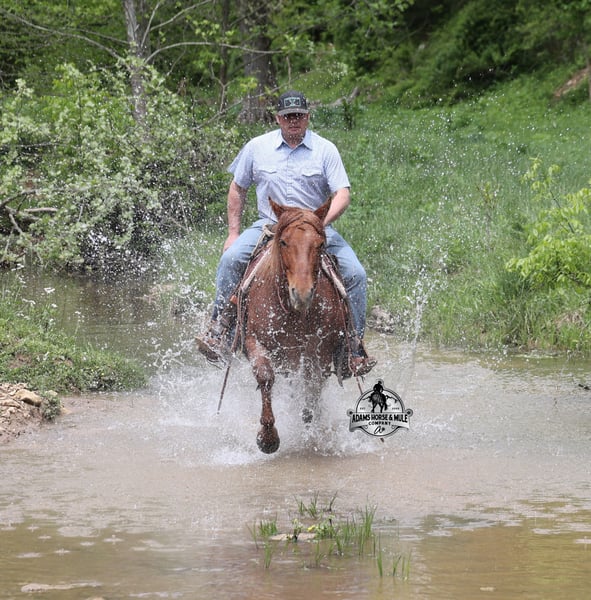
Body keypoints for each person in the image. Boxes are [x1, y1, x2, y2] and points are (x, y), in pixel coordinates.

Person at [196, 90, 375, 377]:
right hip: (270, 226)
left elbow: (342, 193)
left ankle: (352, 349)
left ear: (307, 117)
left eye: (299, 116)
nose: (294, 121)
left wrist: (318, 223)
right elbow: (238, 188)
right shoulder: (257, 147)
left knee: (356, 274)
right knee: (231, 259)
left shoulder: (325, 149)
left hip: (314, 229)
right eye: (288, 116)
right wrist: (233, 233)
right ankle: (220, 330)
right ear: (278, 118)